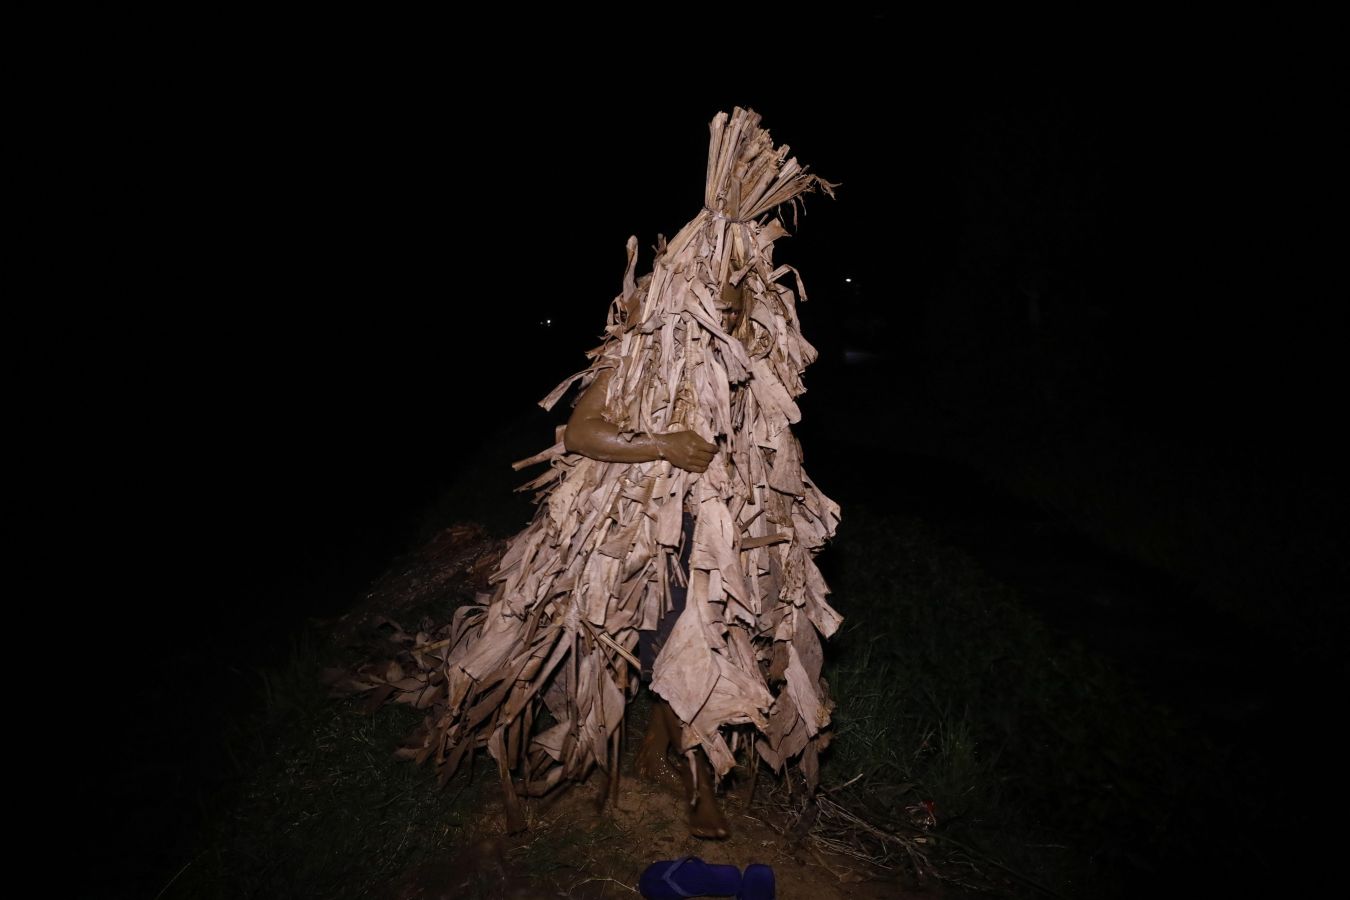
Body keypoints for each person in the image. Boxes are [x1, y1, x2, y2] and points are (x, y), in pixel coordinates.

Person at [372, 107, 841, 840]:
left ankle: (675, 745)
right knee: (666, 631)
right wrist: (661, 447)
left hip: (726, 533)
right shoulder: (635, 357)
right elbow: (582, 431)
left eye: (745, 288)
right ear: (683, 288)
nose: (734, 299)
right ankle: (698, 784)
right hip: (634, 529)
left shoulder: (754, 372)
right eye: (720, 284)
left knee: (714, 633)